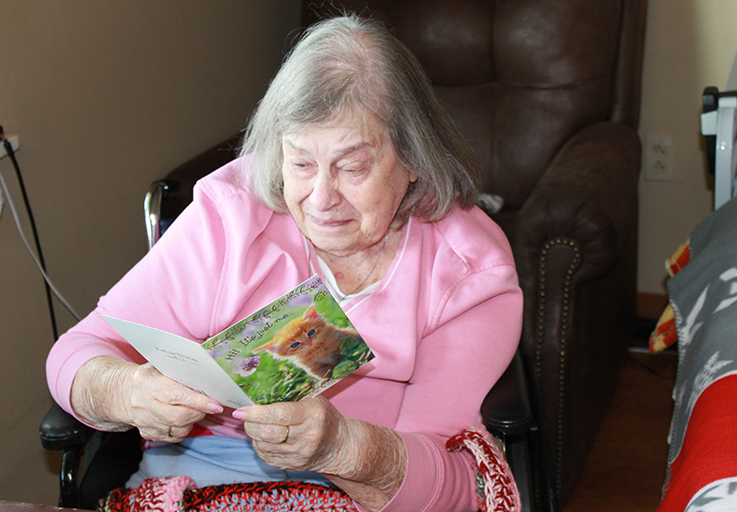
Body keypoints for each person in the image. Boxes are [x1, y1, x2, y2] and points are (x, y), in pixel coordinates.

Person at [46, 14, 522, 512]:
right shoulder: (232, 218)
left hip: (358, 493)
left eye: (352, 167)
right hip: (195, 480)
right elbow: (78, 351)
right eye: (300, 162)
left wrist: (343, 447)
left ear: (413, 158)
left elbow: (452, 488)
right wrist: (126, 389)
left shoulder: (468, 273)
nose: (320, 199)